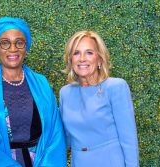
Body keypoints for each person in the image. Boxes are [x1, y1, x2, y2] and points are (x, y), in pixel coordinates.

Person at [0, 16, 66, 167]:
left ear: (26, 47)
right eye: (5, 43)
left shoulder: (41, 83)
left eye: (19, 42)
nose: (13, 49)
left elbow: (54, 134)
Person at [59, 30, 139, 167]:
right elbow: (63, 138)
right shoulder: (65, 93)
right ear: (70, 59)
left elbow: (129, 140)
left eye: (89, 52)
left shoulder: (116, 87)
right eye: (76, 53)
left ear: (100, 59)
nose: (82, 58)